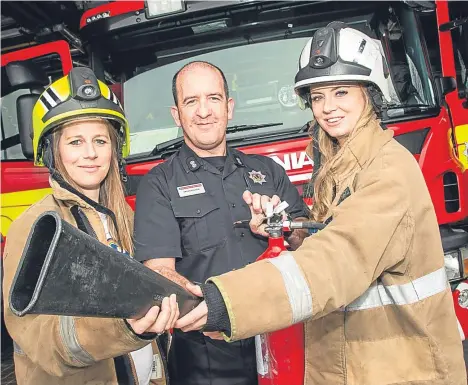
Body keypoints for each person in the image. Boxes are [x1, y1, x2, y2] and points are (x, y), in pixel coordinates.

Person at [174, 23, 467, 385]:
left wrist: (228, 303)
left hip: (402, 369)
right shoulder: (339, 166)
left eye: (341, 92)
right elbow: (332, 245)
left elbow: (338, 259)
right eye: (317, 97)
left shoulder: (388, 170)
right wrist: (282, 229)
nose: (327, 108)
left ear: (370, 94)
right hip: (363, 364)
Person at [133, 60, 309, 385]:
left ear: (229, 108)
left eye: (213, 99)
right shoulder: (159, 184)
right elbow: (160, 273)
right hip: (208, 360)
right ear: (177, 115)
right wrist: (216, 309)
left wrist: (279, 226)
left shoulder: (268, 172)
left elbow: (307, 245)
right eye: (191, 101)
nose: (204, 112)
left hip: (285, 342)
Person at [2, 67, 179, 385]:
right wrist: (122, 329)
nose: (91, 154)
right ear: (51, 151)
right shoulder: (37, 227)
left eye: (100, 140)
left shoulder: (123, 216)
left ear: (116, 148)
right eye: (75, 142)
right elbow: (42, 341)